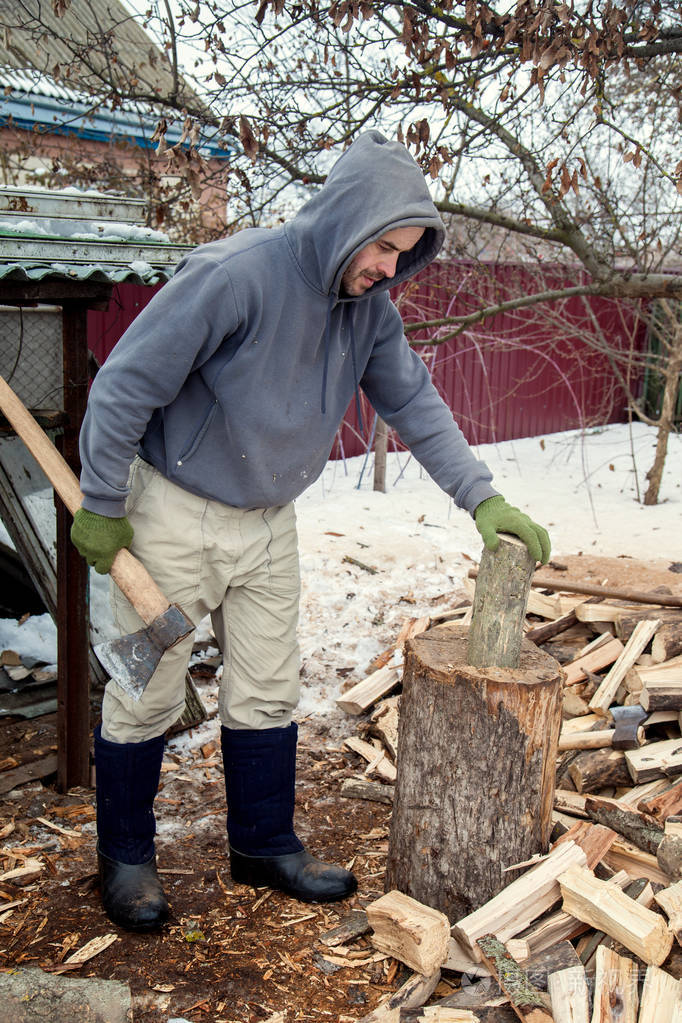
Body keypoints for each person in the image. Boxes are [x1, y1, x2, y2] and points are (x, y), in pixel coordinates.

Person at [71, 130, 550, 933]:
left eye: (404, 255)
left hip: (268, 522)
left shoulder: (368, 313)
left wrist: (482, 497)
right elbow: (125, 384)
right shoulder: (234, 275)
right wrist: (101, 499)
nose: (390, 269)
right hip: (172, 514)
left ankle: (262, 844)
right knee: (146, 686)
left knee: (266, 683)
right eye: (385, 247)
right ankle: (124, 857)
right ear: (348, 219)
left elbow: (418, 406)